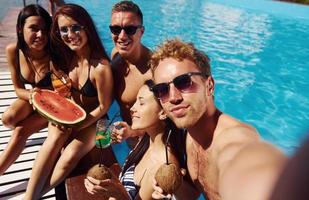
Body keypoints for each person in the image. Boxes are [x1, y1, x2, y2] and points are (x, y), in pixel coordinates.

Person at [149, 39, 288, 200]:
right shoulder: (191, 136)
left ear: (209, 86)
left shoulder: (233, 140)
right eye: (162, 89)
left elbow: (247, 166)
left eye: (183, 82)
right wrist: (174, 188)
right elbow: (196, 191)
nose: (173, 97)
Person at [24, 4, 116, 199]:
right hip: (72, 116)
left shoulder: (100, 67)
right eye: (63, 29)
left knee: (69, 157)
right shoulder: (70, 56)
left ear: (87, 28)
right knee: (53, 141)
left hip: (97, 121)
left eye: (75, 27)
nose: (70, 34)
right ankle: (30, 196)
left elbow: (104, 106)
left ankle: (32, 196)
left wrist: (79, 124)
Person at [84, 80, 199, 199]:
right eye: (135, 101)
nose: (132, 108)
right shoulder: (147, 139)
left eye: (141, 103)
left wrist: (115, 191)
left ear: (163, 112)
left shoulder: (161, 166)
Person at [0, 4, 52, 175]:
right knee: (8, 119)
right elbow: (18, 89)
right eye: (34, 29)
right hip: (36, 97)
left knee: (21, 131)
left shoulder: (56, 51)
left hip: (57, 103)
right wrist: (32, 95)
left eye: (44, 29)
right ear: (20, 29)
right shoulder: (13, 51)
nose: (41, 35)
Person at [110, 1, 152, 148]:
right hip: (125, 139)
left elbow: (165, 122)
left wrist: (132, 132)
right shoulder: (116, 55)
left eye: (130, 29)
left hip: (148, 147)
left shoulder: (153, 71)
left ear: (141, 31)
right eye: (115, 29)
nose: (121, 36)